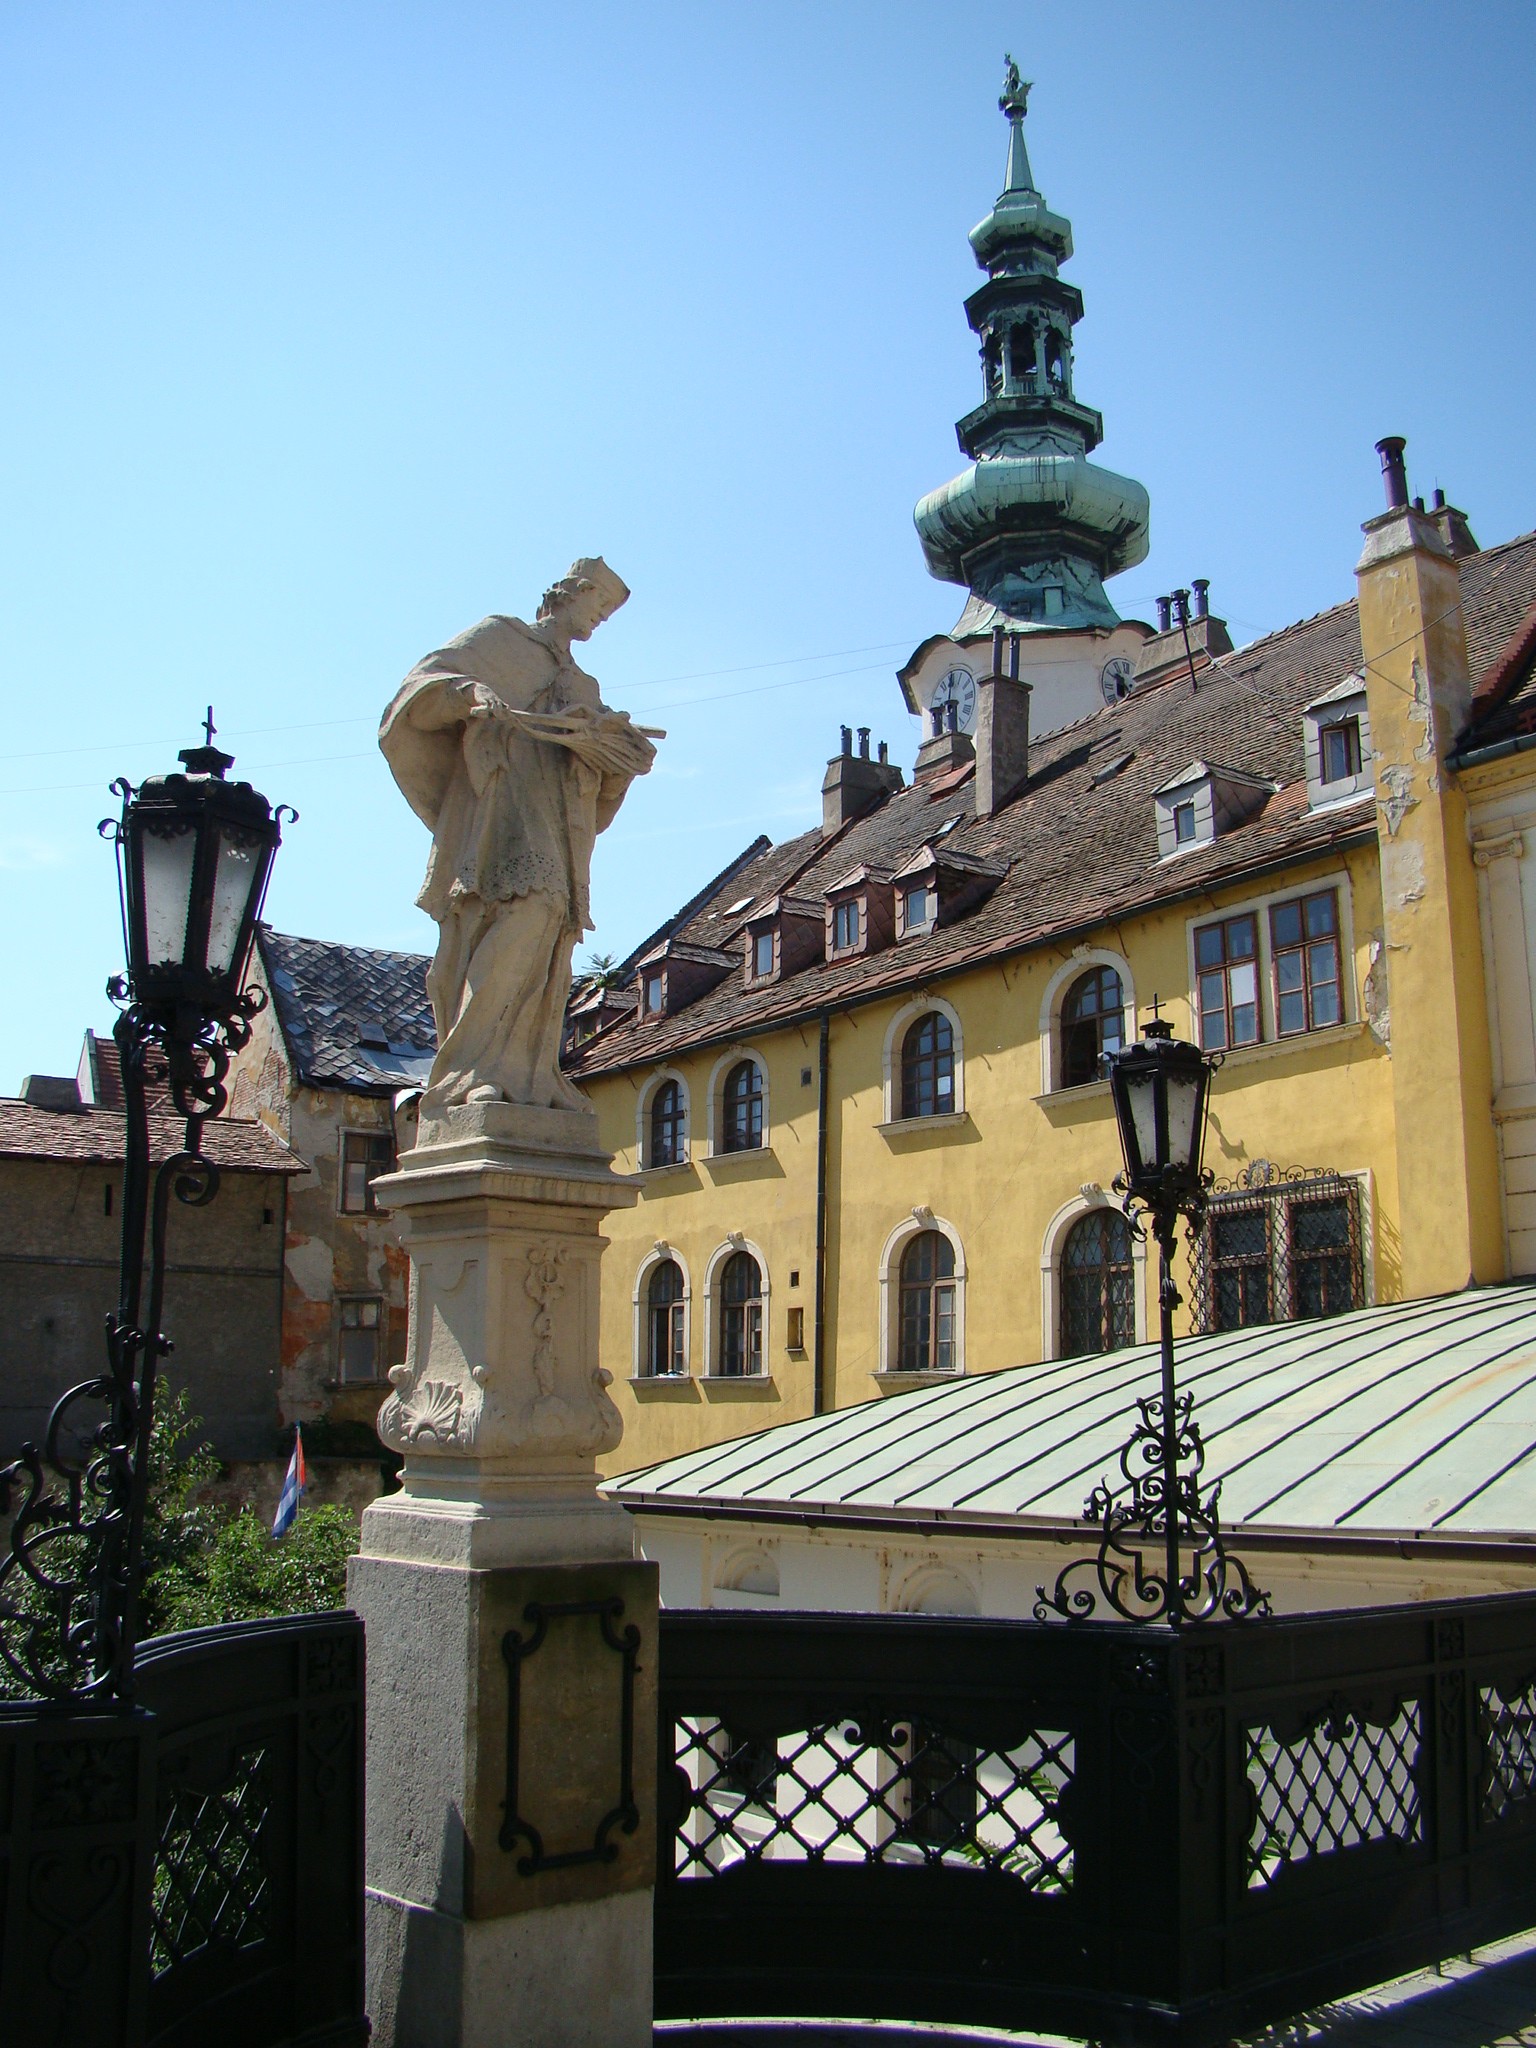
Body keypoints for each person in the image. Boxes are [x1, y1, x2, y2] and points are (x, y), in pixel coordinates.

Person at [379, 558, 656, 1117]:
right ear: (570, 592)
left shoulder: (584, 684)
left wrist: (621, 756)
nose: (601, 618)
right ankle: (473, 1071)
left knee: (551, 933)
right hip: (499, 806)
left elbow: (600, 784)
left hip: (558, 819)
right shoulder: (501, 637)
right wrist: (468, 693)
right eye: (599, 604)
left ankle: (531, 1075)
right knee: (527, 910)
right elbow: (416, 694)